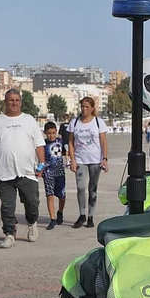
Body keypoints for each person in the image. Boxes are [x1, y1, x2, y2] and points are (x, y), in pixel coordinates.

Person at [0, 87, 42, 248]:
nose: (14, 103)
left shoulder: (29, 120)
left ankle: (32, 223)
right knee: (7, 207)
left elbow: (39, 144)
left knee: (32, 202)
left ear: (21, 102)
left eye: (17, 100)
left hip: (28, 171)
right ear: (5, 102)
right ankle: (9, 234)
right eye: (11, 100)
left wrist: (42, 163)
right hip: (5, 172)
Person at [68, 95, 109, 228]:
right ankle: (82, 214)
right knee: (80, 187)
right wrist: (72, 160)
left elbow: (103, 141)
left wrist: (105, 158)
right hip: (80, 159)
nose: (84, 109)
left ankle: (91, 215)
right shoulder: (75, 122)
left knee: (93, 188)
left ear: (92, 108)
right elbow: (70, 142)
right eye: (82, 107)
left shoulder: (98, 122)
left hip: (95, 160)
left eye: (87, 107)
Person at [40, 120, 67, 228]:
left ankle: (60, 212)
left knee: (62, 196)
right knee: (50, 195)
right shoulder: (42, 144)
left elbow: (68, 152)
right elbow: (41, 159)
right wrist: (40, 170)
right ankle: (52, 218)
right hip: (48, 173)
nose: (51, 135)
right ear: (45, 133)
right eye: (49, 133)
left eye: (53, 133)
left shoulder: (60, 141)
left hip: (60, 172)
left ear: (56, 132)